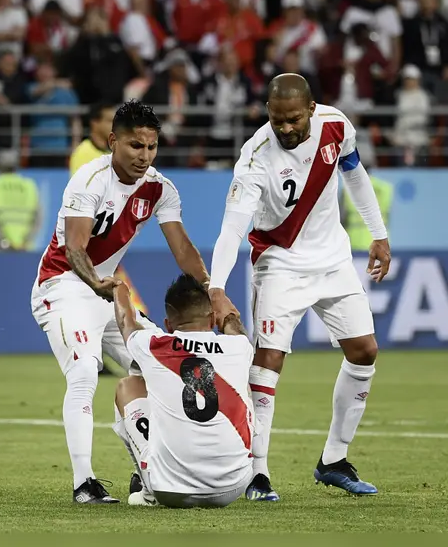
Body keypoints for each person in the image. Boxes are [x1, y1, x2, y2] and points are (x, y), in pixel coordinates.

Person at [207, 73, 390, 500]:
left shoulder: (336, 125)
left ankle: (334, 460)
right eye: (277, 120)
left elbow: (354, 173)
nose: (286, 128)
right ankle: (257, 472)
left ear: (311, 109)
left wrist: (378, 234)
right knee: (268, 361)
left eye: (293, 119)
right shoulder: (254, 158)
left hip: (333, 259)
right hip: (280, 263)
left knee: (364, 351)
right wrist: (217, 288)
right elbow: (232, 229)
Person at [29, 99, 209, 504]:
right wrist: (97, 283)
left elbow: (182, 248)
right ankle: (84, 483)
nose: (144, 156)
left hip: (106, 291)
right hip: (62, 286)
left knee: (162, 364)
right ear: (113, 141)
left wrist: (211, 289)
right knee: (84, 371)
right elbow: (74, 248)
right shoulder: (89, 180)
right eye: (135, 146)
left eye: (151, 146)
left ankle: (147, 470)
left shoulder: (160, 189)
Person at [112, 273, 253, 508]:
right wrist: (226, 311)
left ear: (168, 325)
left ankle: (147, 492)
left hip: (169, 489)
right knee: (243, 385)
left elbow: (126, 321)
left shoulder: (155, 345)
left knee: (128, 385)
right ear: (212, 319)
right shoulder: (238, 346)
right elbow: (234, 327)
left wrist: (119, 288)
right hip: (233, 486)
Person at [0, 150, 42, 252]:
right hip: (25, 248)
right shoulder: (29, 185)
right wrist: (26, 241)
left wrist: (5, 242)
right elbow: (38, 219)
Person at [69, 103, 115, 175]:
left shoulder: (114, 150)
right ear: (95, 123)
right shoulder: (82, 153)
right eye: (109, 121)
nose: (114, 126)